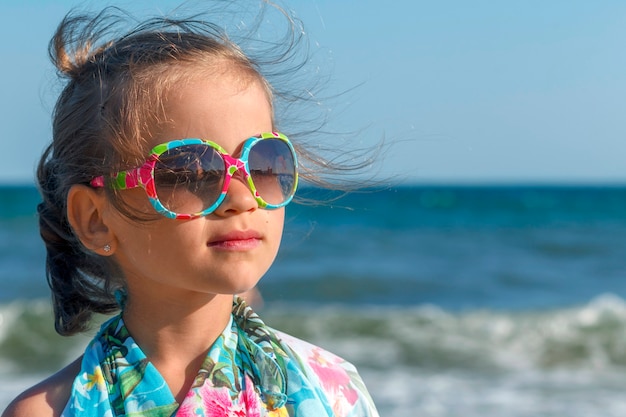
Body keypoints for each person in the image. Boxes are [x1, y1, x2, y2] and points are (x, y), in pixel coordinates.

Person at [2, 3, 379, 417]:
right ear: (95, 220)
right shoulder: (50, 411)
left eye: (264, 164)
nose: (242, 197)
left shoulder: (333, 389)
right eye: (189, 171)